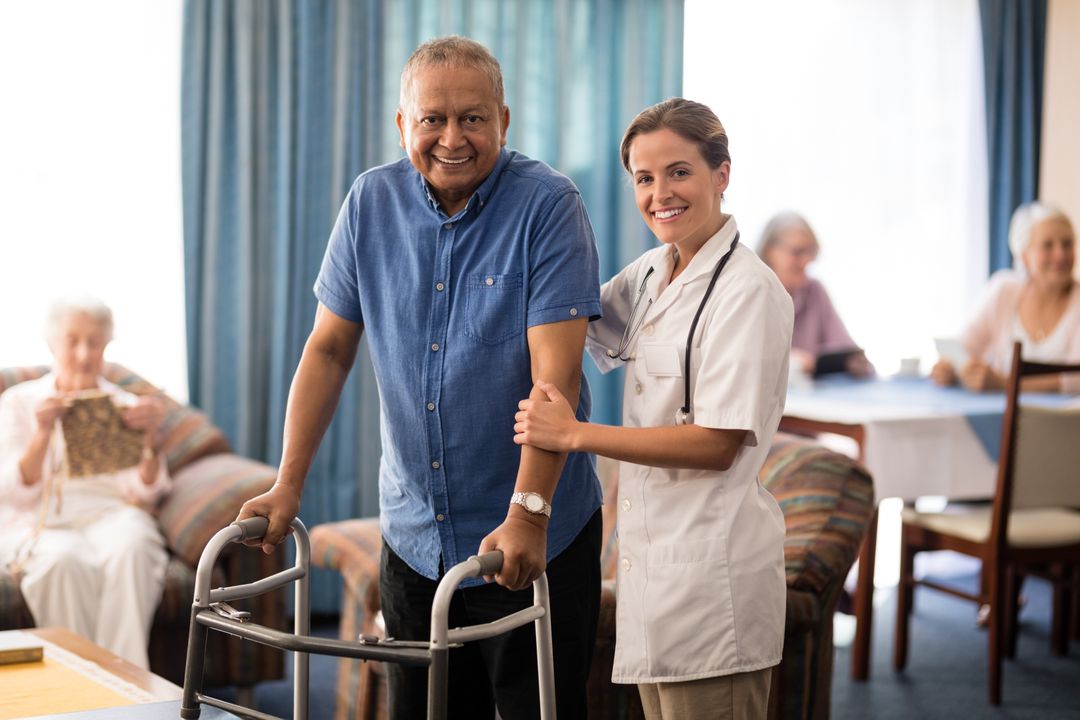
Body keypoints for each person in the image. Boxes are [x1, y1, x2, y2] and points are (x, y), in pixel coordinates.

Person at [235, 36, 603, 719]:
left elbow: (553, 381)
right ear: (403, 124)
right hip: (413, 536)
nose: (452, 138)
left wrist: (529, 514)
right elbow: (327, 352)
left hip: (527, 530)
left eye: (473, 118)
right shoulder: (369, 202)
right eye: (433, 119)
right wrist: (289, 481)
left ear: (504, 121)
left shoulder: (549, 205)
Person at [514, 98, 791, 719]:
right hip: (656, 581)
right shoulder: (651, 273)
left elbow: (716, 443)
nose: (659, 192)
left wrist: (577, 434)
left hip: (714, 589)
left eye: (679, 172)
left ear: (721, 174)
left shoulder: (748, 291)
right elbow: (569, 319)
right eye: (644, 178)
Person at [0, 295, 170, 669]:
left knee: (135, 546)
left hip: (110, 514)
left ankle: (126, 680)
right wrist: (42, 433)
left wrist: (150, 441)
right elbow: (10, 490)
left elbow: (148, 491)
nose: (83, 354)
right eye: (72, 341)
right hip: (38, 522)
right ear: (52, 345)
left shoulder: (124, 405)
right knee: (62, 561)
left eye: (94, 343)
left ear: (107, 346)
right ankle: (80, 681)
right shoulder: (19, 402)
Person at [931, 202, 1080, 393]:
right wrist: (951, 367)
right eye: (1048, 245)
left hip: (1062, 421)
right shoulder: (1004, 291)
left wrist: (1005, 384)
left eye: (1067, 244)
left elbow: (1076, 381)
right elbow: (962, 347)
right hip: (1000, 418)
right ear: (1024, 255)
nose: (1060, 255)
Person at [757, 211, 872, 378]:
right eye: (797, 252)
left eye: (810, 252)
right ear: (770, 251)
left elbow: (846, 348)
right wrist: (792, 361)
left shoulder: (814, 291)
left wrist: (854, 363)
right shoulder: (753, 293)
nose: (806, 261)